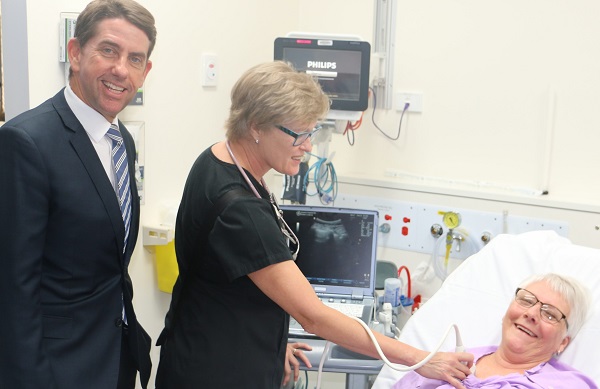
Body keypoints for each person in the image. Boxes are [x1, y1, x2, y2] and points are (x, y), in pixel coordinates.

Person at [154, 61, 473, 389]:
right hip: (215, 374)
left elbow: (225, 284)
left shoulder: (216, 159)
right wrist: (421, 359)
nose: (307, 147)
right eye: (299, 134)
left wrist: (270, 345)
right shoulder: (241, 211)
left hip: (202, 349)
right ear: (254, 126)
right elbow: (313, 316)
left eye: (312, 133)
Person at [0, 1, 156, 388]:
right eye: (108, 50)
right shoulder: (27, 142)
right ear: (75, 53)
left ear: (146, 71)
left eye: (135, 59)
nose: (121, 68)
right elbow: (13, 289)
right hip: (58, 369)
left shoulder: (122, 142)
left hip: (115, 358)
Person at [391, 273, 598, 388]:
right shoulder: (450, 362)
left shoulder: (568, 385)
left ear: (563, 342)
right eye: (526, 300)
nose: (532, 313)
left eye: (550, 314)